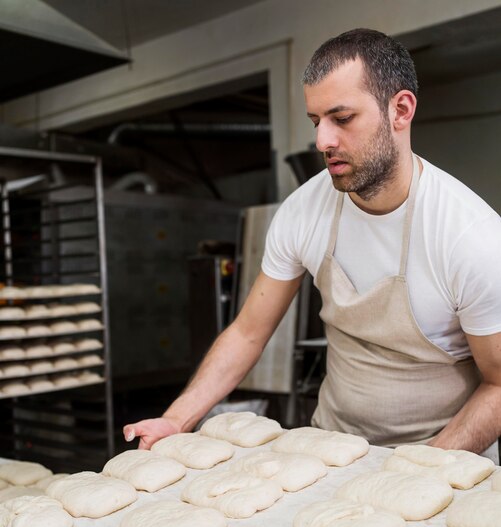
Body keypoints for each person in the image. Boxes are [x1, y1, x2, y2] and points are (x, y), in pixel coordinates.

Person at [123, 28, 501, 458]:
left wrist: (424, 468)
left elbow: (499, 384)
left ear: (400, 110)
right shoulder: (304, 211)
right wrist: (177, 418)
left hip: (443, 457)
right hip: (333, 449)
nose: (323, 141)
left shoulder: (471, 237)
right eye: (315, 121)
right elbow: (248, 332)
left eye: (342, 119)